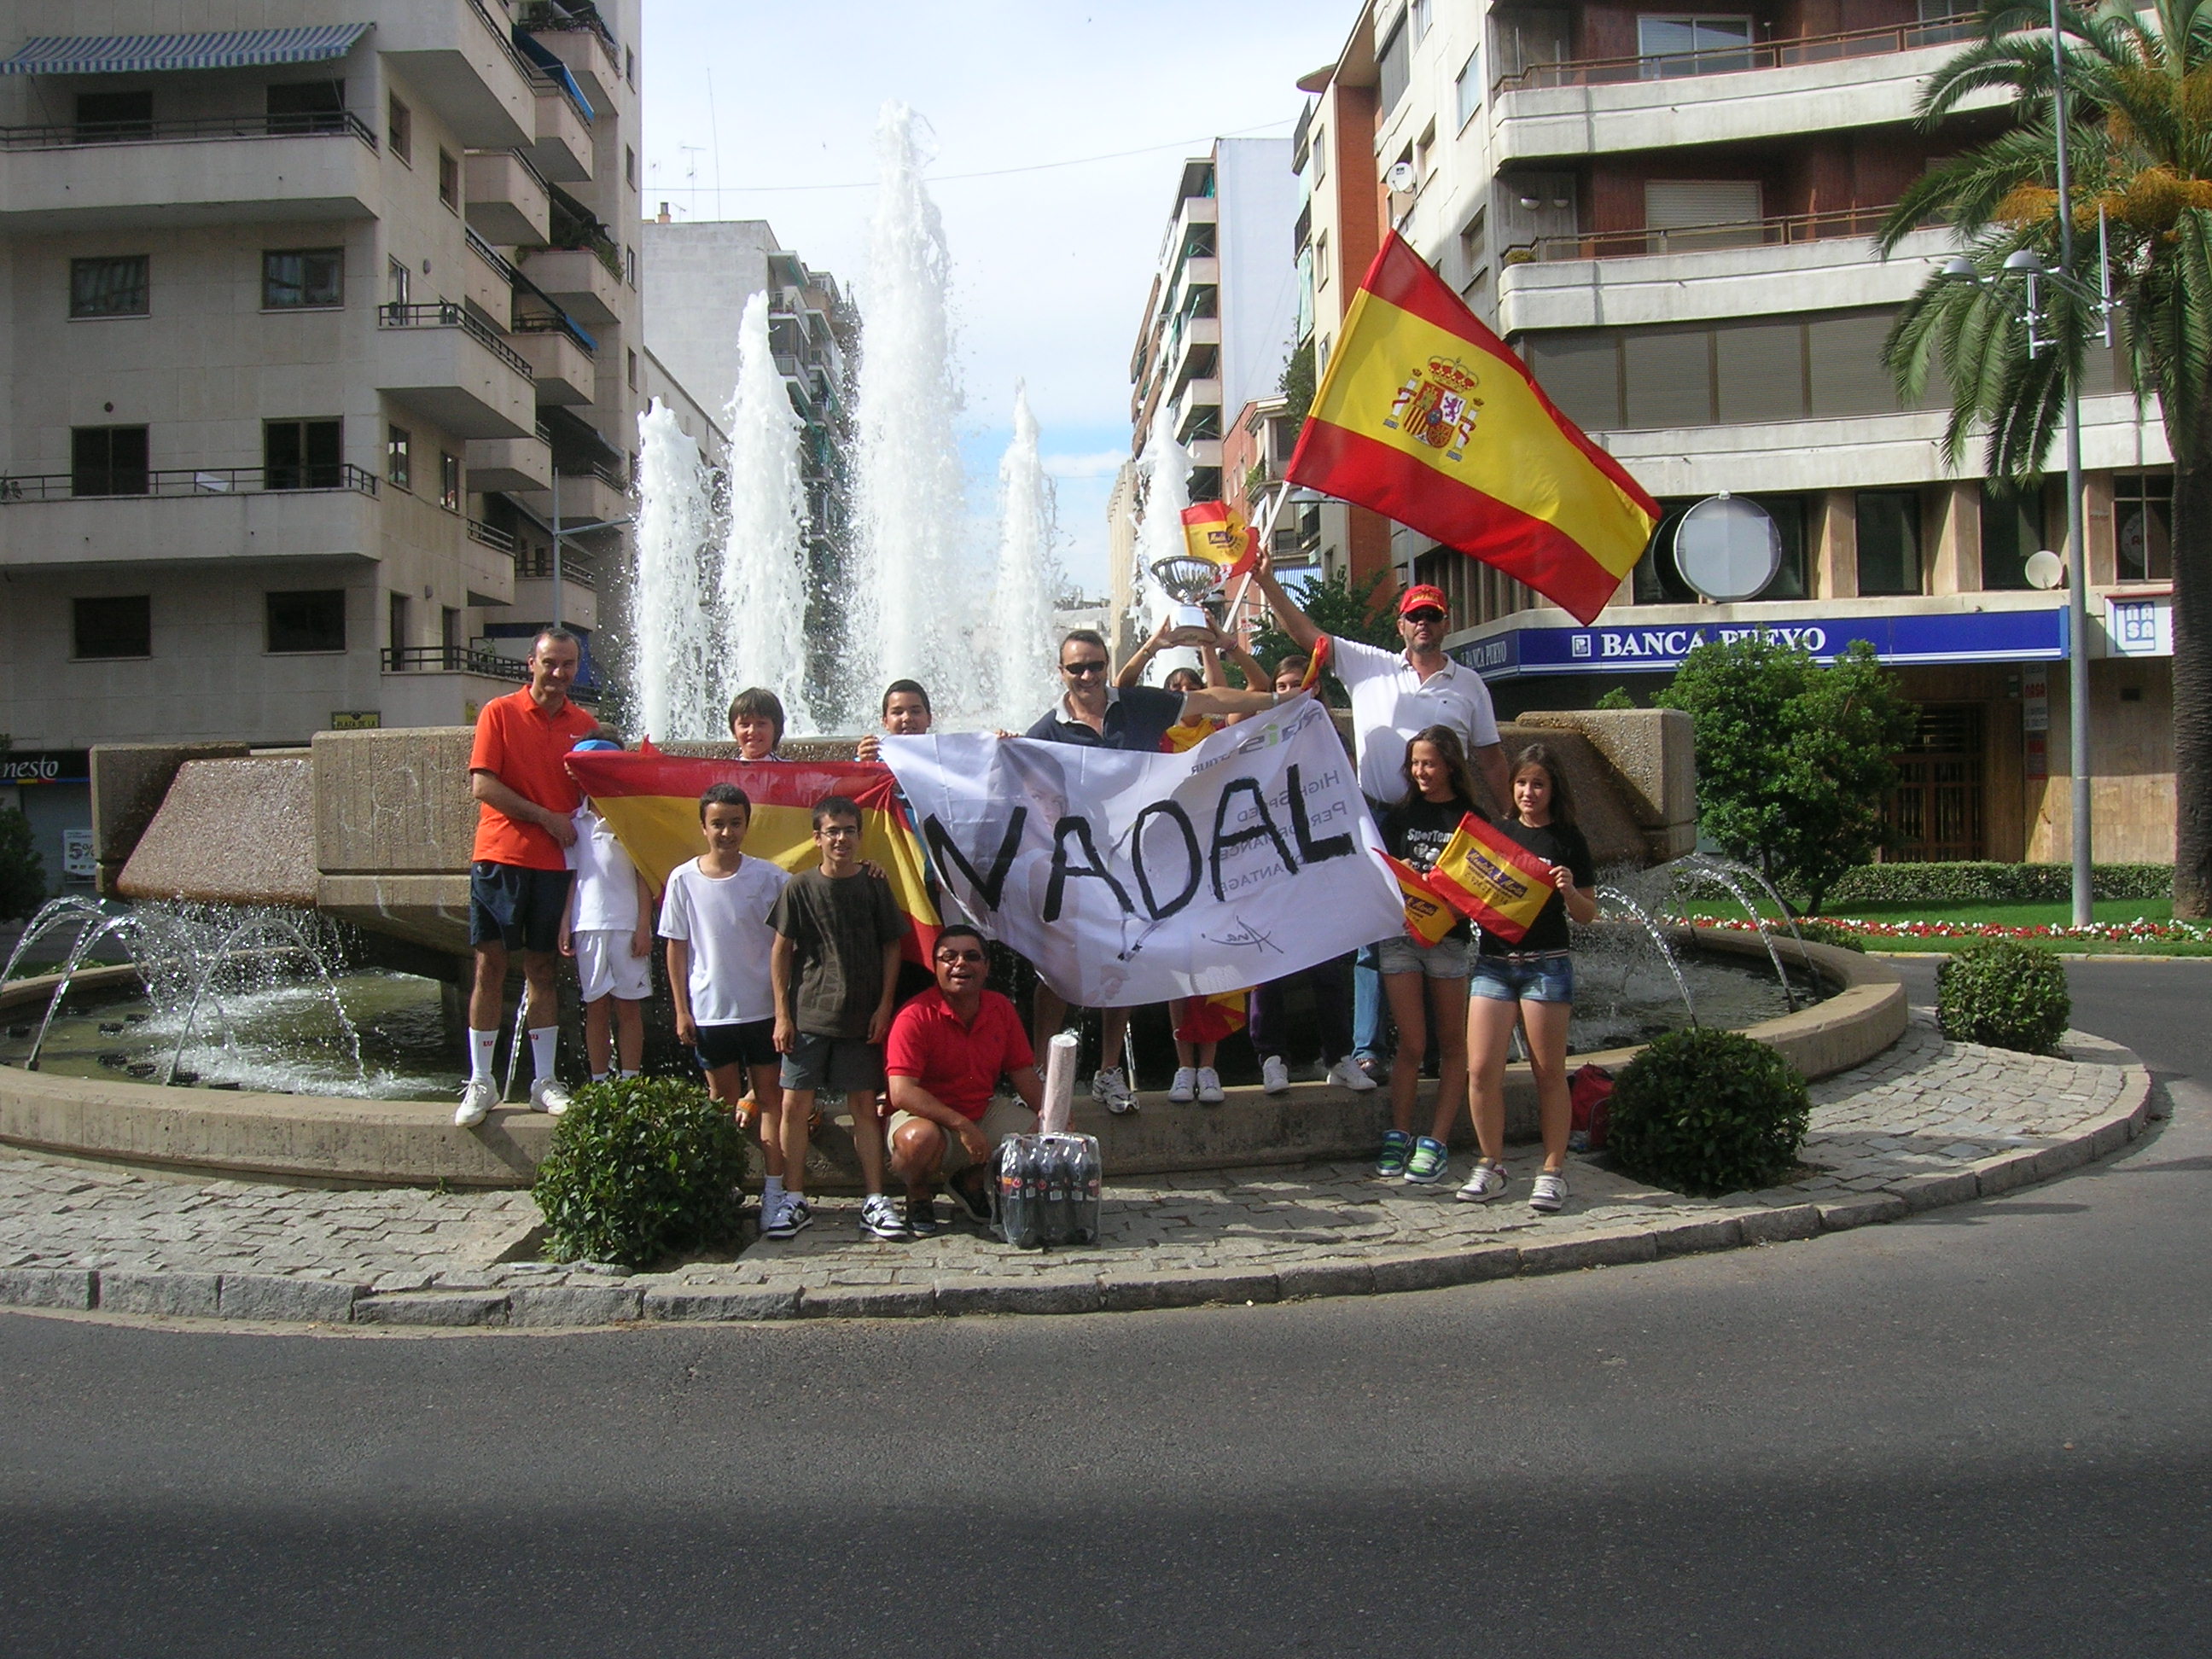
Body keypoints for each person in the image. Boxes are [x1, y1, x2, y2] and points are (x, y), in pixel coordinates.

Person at [1248, 550, 1510, 1085]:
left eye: (1432, 616)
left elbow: (1490, 756)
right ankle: (1368, 1048)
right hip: (1375, 816)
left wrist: (1508, 820)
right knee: (1371, 933)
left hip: (1445, 823)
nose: (1423, 624)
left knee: (1442, 931)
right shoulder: (1369, 664)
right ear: (1401, 624)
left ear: (1445, 623)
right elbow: (1305, 634)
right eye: (1414, 616)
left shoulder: (1469, 684)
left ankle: (1438, 1049)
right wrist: (1267, 582)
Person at [1023, 625, 1282, 1113]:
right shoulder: (1045, 732)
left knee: (1123, 963)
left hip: (1135, 864)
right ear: (1061, 672)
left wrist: (1276, 701)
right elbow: (1016, 783)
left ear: (1106, 666)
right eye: (1076, 668)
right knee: (1055, 969)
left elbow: (1207, 701)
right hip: (1077, 867)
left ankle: (1108, 1071)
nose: (1087, 676)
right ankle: (1037, 1070)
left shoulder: (1136, 706)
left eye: (1095, 666)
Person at [456, 628, 598, 1129]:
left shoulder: (586, 726)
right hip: (500, 857)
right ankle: (481, 1081)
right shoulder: (499, 713)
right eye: (549, 662)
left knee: (543, 969)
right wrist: (545, 817)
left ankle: (544, 1081)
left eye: (567, 664)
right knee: (489, 965)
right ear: (530, 663)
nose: (558, 673)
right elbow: (483, 785)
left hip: (554, 866)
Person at [1460, 742, 1598, 1214]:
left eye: (1538, 784)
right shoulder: (1498, 833)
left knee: (1548, 1072)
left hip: (1546, 964)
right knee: (1481, 1069)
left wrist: (1568, 890)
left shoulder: (1569, 839)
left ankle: (1552, 1170)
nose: (1528, 792)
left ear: (1553, 789)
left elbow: (1587, 914)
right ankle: (1491, 1164)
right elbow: (1471, 890)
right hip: (1494, 964)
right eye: (1521, 783)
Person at [658, 784, 800, 1232]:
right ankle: (724, 1184)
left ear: (747, 825)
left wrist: (784, 1008)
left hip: (762, 1011)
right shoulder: (683, 879)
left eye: (735, 823)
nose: (726, 832)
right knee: (721, 1102)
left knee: (771, 1101)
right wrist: (682, 1010)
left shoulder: (771, 878)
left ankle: (774, 1191)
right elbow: (676, 947)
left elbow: (789, 942)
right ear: (703, 826)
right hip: (711, 1011)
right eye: (717, 824)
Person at [770, 795, 911, 1243]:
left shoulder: (874, 884)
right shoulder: (799, 887)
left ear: (859, 836)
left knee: (864, 1107)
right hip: (808, 1015)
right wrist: (782, 1015)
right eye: (832, 831)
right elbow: (781, 951)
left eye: (849, 830)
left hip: (860, 1018)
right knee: (794, 1106)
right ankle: (794, 1198)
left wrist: (885, 1006)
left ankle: (875, 1199)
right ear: (817, 838)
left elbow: (892, 946)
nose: (841, 839)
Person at [1247, 651, 1375, 1099]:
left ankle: (1339, 1056)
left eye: (1295, 684)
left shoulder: (1330, 735)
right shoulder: (1258, 734)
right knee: (1268, 964)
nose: (1287, 692)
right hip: (1269, 864)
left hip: (1320, 863)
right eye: (1280, 686)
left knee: (1327, 965)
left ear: (1314, 687)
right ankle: (1271, 1058)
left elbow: (1347, 788)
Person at [884, 923, 1045, 1237]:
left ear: (986, 967)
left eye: (971, 957)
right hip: (927, 1116)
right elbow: (901, 1093)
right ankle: (918, 1195)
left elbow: (1023, 1074)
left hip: (981, 1111)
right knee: (917, 1141)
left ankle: (970, 1182)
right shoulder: (914, 1016)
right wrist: (962, 1125)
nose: (960, 964)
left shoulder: (1001, 1008)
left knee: (1044, 1133)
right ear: (935, 966)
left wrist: (1054, 1115)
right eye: (949, 957)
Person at [1373, 726, 1481, 1185]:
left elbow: (1482, 885)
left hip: (1448, 941)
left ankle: (1436, 1140)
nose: (1420, 771)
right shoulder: (1399, 814)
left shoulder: (1471, 818)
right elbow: (1380, 871)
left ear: (1451, 765)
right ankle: (1399, 1133)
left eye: (1429, 763)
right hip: (1402, 938)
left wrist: (1450, 910)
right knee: (1411, 1043)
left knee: (1452, 1044)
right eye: (1415, 763)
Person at [559, 732, 653, 1085]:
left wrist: (643, 926)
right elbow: (574, 877)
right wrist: (566, 922)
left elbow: (644, 876)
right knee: (595, 1005)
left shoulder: (632, 819)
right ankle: (599, 1081)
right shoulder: (574, 822)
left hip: (627, 925)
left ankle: (630, 1080)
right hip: (588, 925)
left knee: (629, 1005)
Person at [854, 678, 932, 763]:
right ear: (885, 722)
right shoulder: (873, 759)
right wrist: (865, 765)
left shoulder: (941, 757)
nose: (907, 718)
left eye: (915, 711)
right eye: (898, 712)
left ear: (929, 718)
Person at [727, 688, 786, 760]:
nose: (752, 731)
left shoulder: (790, 767)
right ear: (734, 731)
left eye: (761, 724)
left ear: (776, 729)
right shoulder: (723, 768)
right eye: (745, 725)